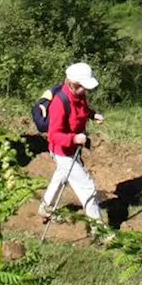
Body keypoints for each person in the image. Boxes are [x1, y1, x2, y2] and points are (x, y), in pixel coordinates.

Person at [38, 62, 107, 233]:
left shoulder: (79, 95)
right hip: (62, 151)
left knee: (60, 178)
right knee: (87, 188)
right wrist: (74, 138)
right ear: (73, 84)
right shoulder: (59, 103)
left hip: (70, 150)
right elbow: (53, 134)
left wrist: (92, 115)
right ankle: (99, 231)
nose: (86, 91)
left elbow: (81, 109)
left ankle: (45, 208)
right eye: (83, 87)